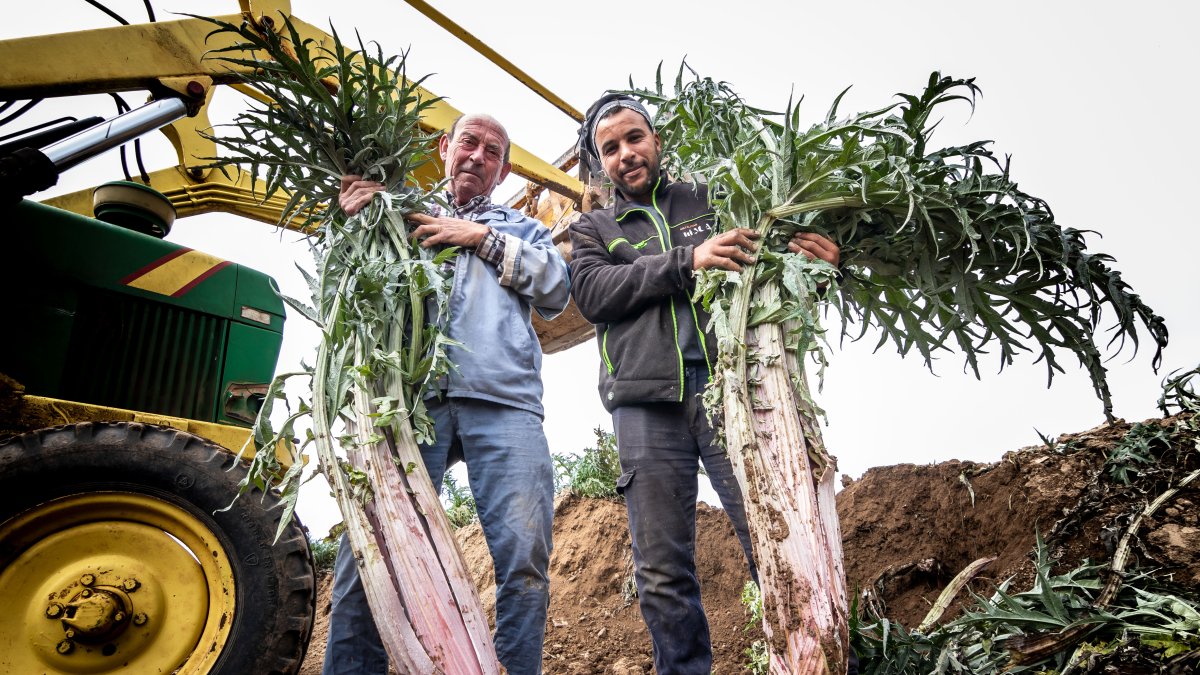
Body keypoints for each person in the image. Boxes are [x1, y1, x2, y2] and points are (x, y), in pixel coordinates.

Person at [568, 94, 853, 674]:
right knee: (662, 571)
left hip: (731, 393)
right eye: (611, 148)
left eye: (635, 137)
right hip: (645, 406)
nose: (627, 154)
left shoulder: (711, 195)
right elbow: (595, 294)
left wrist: (821, 267)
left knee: (774, 534)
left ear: (656, 139)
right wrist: (687, 260)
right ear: (601, 165)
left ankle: (813, 662)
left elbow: (769, 271)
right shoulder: (594, 227)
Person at [324, 113, 570, 675]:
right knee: (369, 552)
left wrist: (481, 238)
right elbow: (351, 287)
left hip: (504, 401)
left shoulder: (523, 229)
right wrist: (360, 220)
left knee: (525, 557)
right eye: (469, 143)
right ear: (445, 148)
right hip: (410, 404)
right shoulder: (401, 212)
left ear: (504, 171)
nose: (478, 156)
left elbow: (557, 289)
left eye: (492, 151)